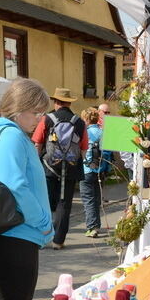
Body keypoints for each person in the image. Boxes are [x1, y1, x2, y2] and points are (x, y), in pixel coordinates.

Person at [0, 78, 54, 300]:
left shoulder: (6, 133)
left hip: (13, 230)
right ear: (20, 109)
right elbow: (15, 185)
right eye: (36, 113)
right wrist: (43, 221)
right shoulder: (10, 135)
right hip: (17, 232)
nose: (40, 120)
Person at [32, 88, 88, 250]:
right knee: (65, 204)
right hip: (70, 168)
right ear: (69, 103)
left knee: (44, 202)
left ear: (56, 102)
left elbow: (38, 142)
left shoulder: (47, 119)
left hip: (49, 167)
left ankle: (42, 238)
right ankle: (58, 241)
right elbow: (84, 148)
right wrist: (74, 161)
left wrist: (38, 164)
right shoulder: (79, 121)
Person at [80, 107, 110, 238]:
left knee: (88, 199)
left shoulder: (85, 133)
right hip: (100, 170)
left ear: (86, 119)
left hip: (86, 170)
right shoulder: (103, 132)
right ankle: (96, 225)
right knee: (97, 199)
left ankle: (92, 227)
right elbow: (108, 153)